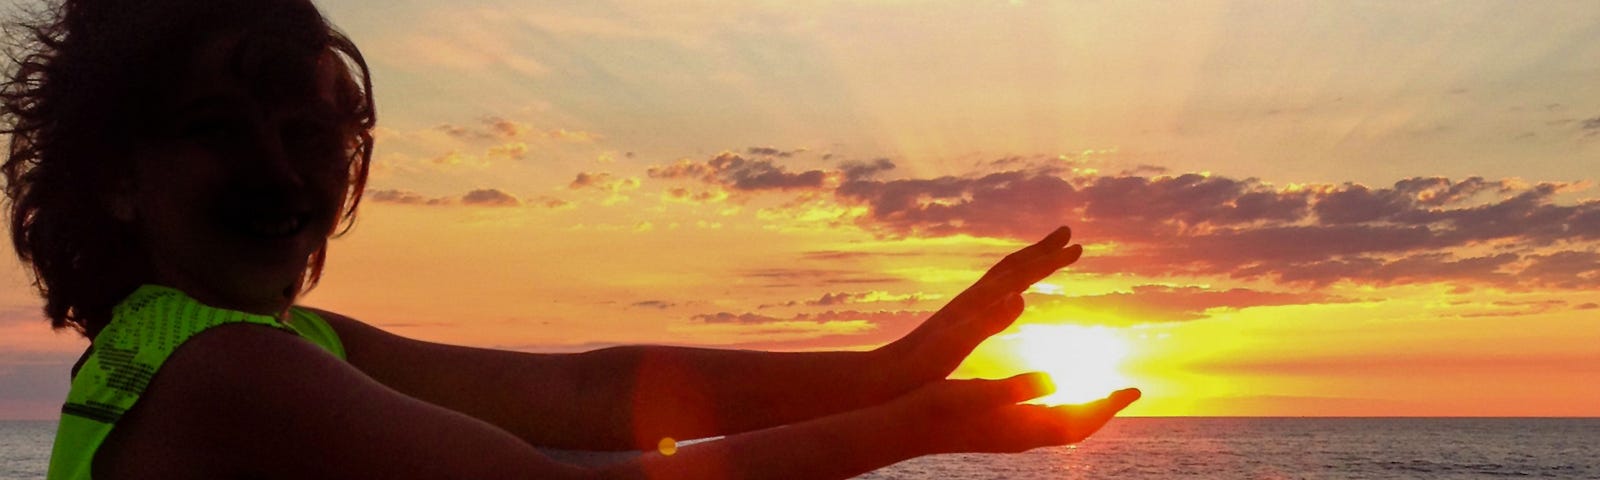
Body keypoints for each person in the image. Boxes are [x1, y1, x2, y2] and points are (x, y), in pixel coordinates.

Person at [0, 0, 1140, 478]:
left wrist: (897, 362)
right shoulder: (224, 370)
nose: (280, 171)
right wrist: (912, 423)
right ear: (113, 181)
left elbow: (599, 398)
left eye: (310, 131)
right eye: (216, 132)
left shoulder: (258, 339)